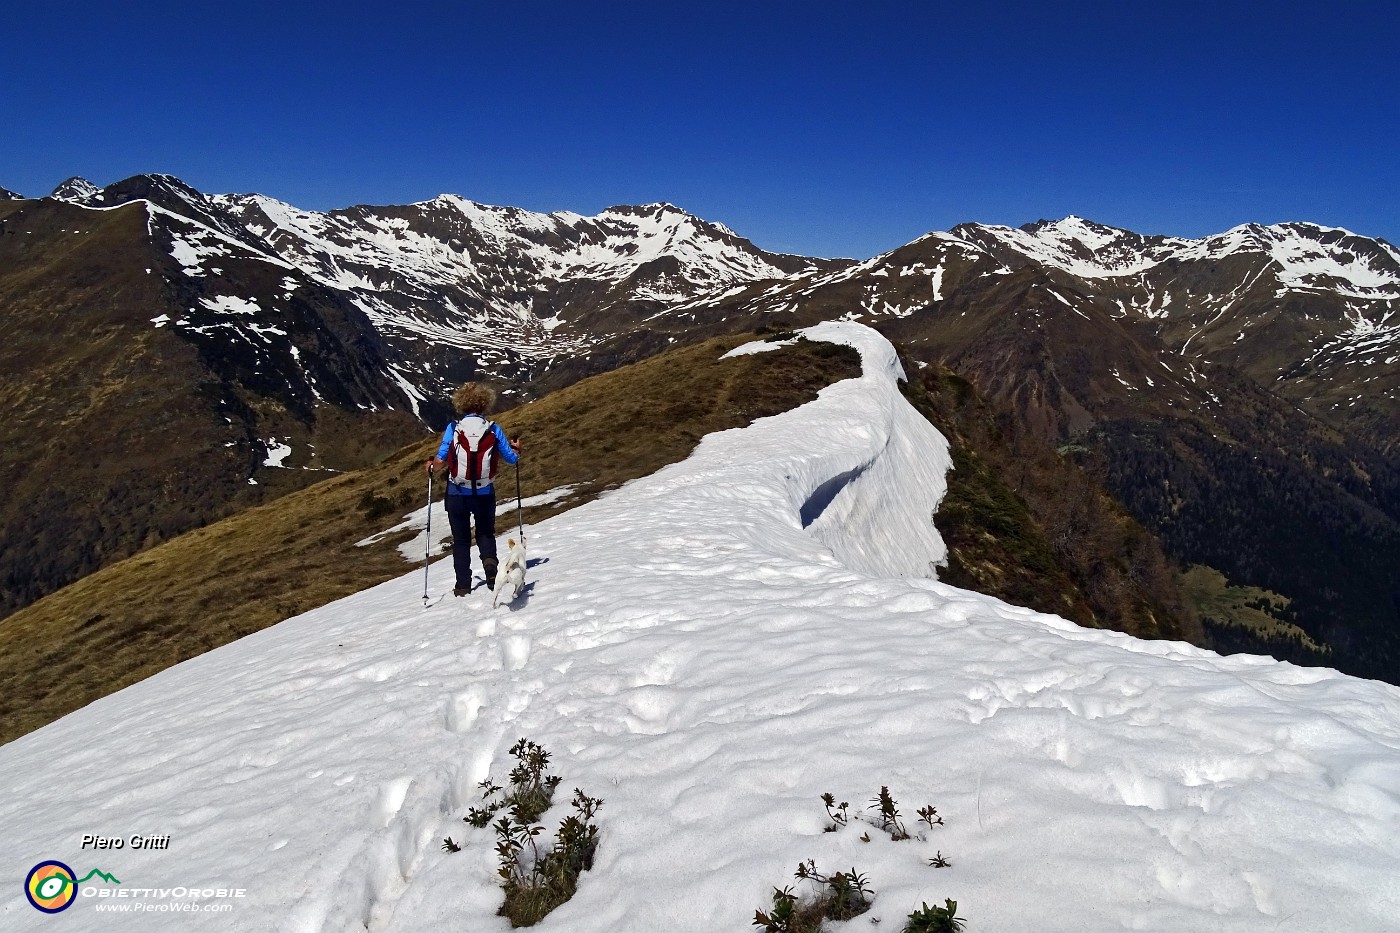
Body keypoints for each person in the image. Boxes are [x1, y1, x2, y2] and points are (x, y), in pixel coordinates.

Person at [426, 383, 521, 596]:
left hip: (457, 493)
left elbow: (441, 460)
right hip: (484, 492)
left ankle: (462, 586)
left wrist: (431, 464)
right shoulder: (493, 429)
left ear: (461, 403)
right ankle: (490, 568)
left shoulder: (454, 428)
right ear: (485, 403)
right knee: (486, 533)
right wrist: (517, 449)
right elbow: (511, 458)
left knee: (460, 540)